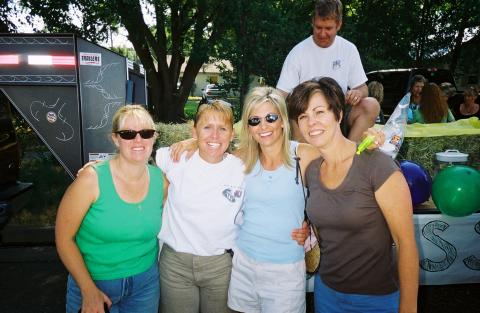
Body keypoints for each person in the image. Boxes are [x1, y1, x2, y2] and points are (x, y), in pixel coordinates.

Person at [171, 89, 384, 313]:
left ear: (282, 120)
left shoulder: (305, 155)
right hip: (243, 265)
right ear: (248, 127)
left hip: (286, 272)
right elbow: (211, 147)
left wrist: (367, 141)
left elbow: (342, 160)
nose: (263, 126)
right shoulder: (240, 158)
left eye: (270, 118)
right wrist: (192, 142)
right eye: (255, 120)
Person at [287, 77, 419, 313]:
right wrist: (309, 231)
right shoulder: (312, 170)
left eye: (319, 112)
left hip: (376, 299)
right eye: (303, 116)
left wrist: (408, 308)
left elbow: (406, 244)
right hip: (327, 293)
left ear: (338, 114)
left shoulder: (376, 165)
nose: (311, 122)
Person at [56, 105, 164, 313]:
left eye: (146, 133)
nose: (138, 140)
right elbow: (63, 239)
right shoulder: (91, 180)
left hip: (145, 286)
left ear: (154, 137)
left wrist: (192, 141)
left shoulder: (161, 181)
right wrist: (88, 290)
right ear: (115, 139)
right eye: (128, 134)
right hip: (94, 283)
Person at [156, 100, 246, 313]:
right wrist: (99, 167)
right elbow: (135, 160)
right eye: (207, 127)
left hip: (221, 267)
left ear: (232, 134)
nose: (215, 136)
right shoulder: (174, 158)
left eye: (222, 128)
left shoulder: (242, 170)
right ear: (193, 130)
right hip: (176, 265)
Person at [276, 0, 380, 142]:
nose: (323, 33)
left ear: (339, 24)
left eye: (328, 28)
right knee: (292, 109)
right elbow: (281, 95)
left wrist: (358, 93)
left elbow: (363, 88)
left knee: (371, 105)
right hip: (307, 116)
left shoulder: (349, 49)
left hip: (339, 113)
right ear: (312, 22)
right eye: (318, 27)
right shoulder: (298, 52)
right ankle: (305, 157)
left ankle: (350, 154)